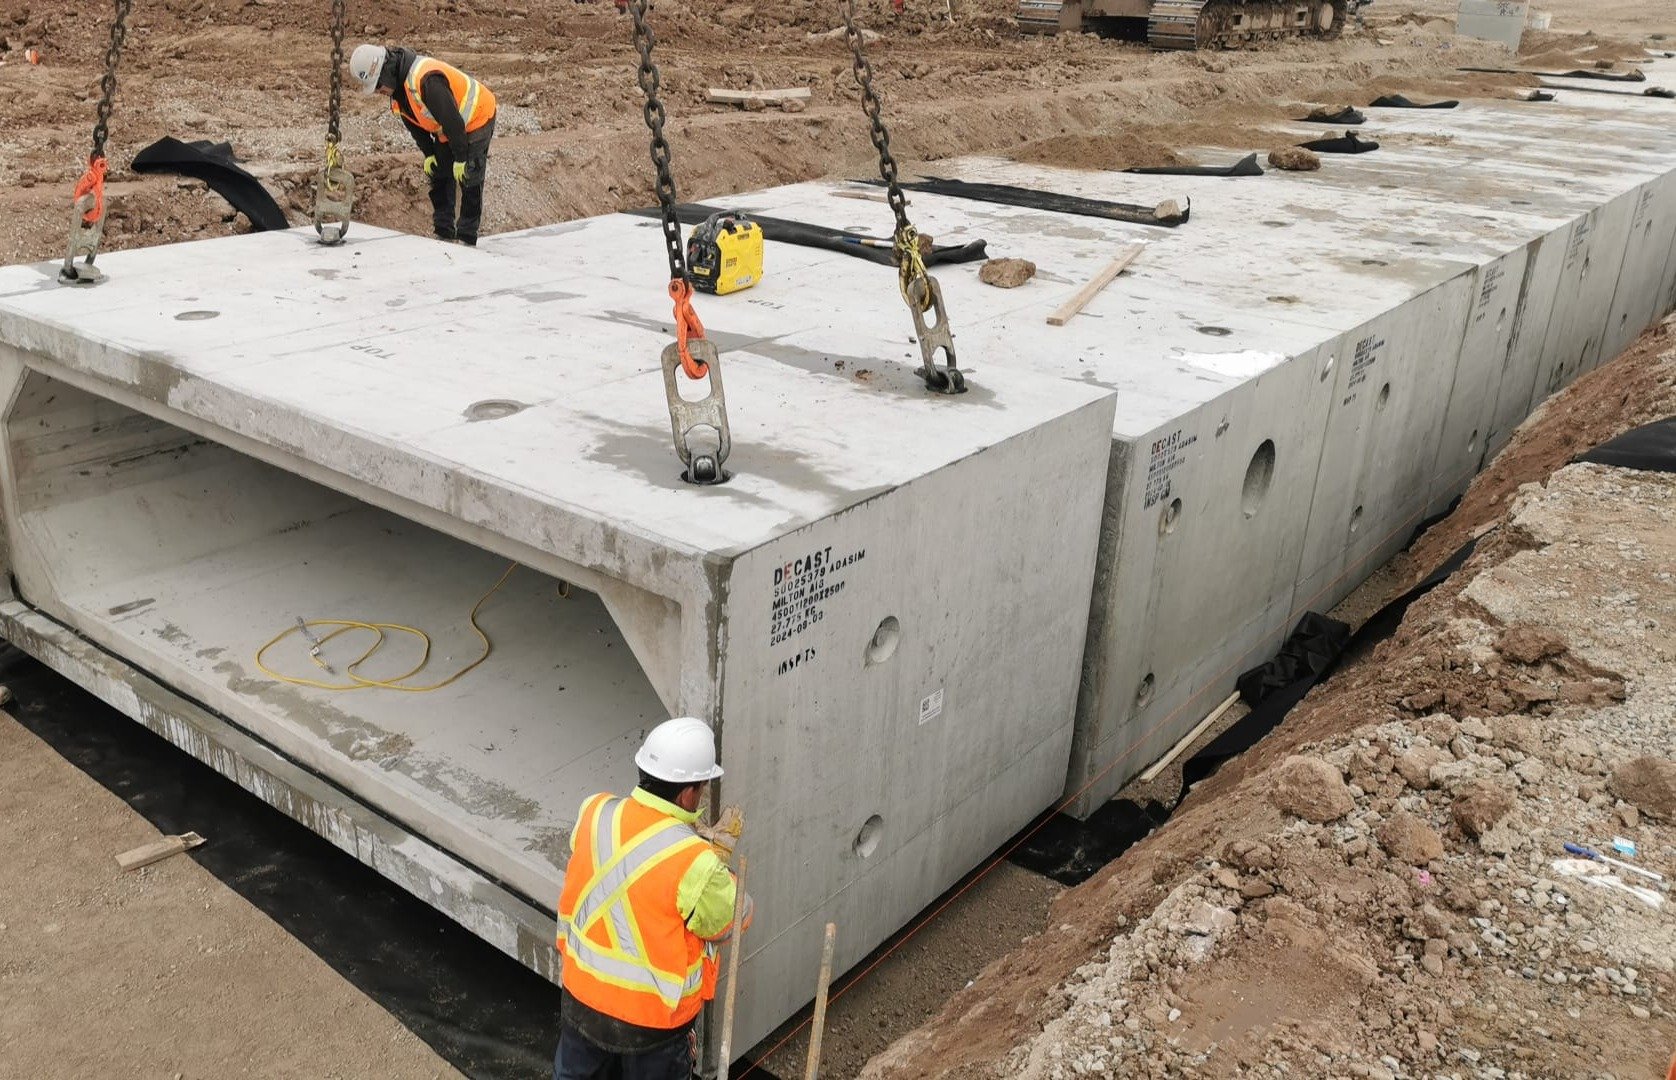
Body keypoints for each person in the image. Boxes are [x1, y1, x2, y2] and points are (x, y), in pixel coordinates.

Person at [554, 716, 752, 1080]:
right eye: (702, 788)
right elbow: (733, 917)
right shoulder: (694, 861)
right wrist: (716, 865)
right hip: (653, 1024)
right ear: (688, 794)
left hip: (583, 999)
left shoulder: (594, 811)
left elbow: (623, 870)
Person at [348, 43, 496, 246]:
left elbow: (452, 121)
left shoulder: (426, 80)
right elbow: (414, 126)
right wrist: (429, 153)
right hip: (449, 126)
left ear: (387, 72)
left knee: (470, 175)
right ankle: (444, 231)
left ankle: (467, 236)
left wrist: (461, 157)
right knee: (440, 173)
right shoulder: (399, 94)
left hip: (478, 115)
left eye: (378, 85)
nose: (378, 91)